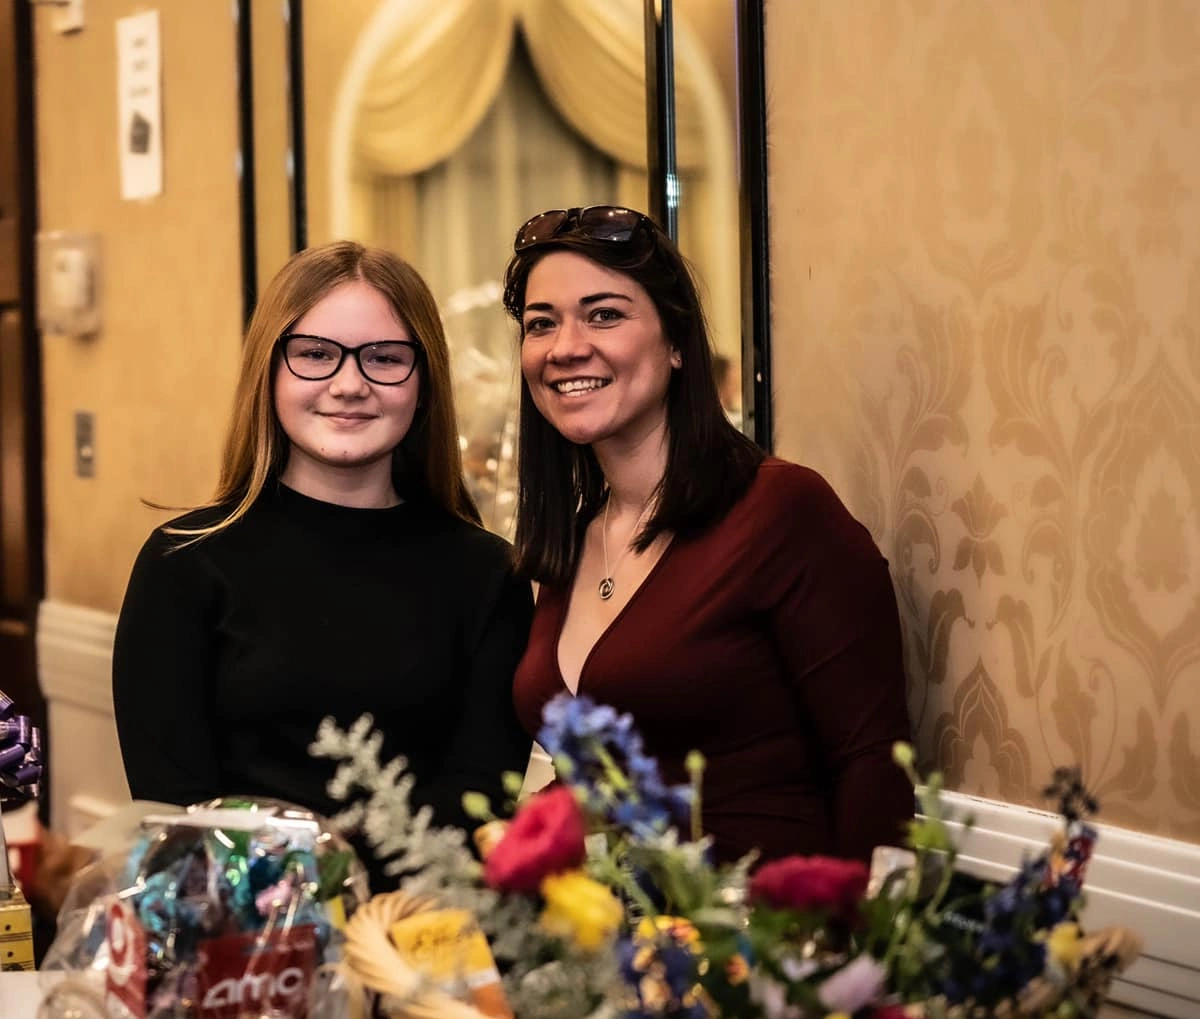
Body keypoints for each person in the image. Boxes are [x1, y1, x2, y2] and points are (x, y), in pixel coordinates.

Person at [503, 206, 910, 863]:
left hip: (763, 939)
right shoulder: (570, 542)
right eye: (540, 324)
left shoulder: (782, 510)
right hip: (615, 948)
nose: (565, 346)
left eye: (604, 314)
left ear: (675, 343)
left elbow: (872, 765)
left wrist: (849, 958)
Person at [113, 240, 532, 826]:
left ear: (424, 382)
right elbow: (175, 806)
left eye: (384, 358)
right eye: (315, 354)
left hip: (422, 915)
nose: (349, 383)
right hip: (233, 913)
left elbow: (478, 803)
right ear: (271, 370)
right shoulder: (182, 563)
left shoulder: (491, 575)